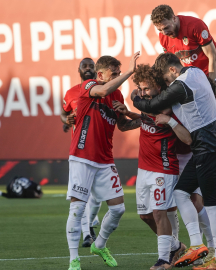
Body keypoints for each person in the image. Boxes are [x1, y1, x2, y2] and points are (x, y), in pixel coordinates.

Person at [132, 53, 216, 270]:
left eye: (167, 80)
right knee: (181, 193)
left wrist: (134, 97)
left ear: (174, 71)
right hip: (206, 149)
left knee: (212, 207)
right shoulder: (196, 72)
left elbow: (155, 104)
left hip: (208, 148)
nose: (168, 85)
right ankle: (196, 244)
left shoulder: (181, 84)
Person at [66, 52, 140, 270]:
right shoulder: (89, 85)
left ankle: (99, 245)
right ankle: (73, 260)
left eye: (119, 73)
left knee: (118, 209)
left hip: (105, 160)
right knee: (77, 210)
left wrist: (140, 118)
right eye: (114, 73)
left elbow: (123, 125)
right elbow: (103, 90)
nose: (118, 77)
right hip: (82, 157)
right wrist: (129, 71)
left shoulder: (117, 96)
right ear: (100, 74)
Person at [114, 63, 192, 269]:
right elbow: (146, 118)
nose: (142, 92)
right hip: (144, 169)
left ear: (159, 86)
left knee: (159, 213)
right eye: (140, 88)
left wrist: (171, 122)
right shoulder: (147, 105)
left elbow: (188, 139)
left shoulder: (172, 108)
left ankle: (164, 260)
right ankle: (176, 246)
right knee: (145, 216)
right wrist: (130, 113)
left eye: (146, 88)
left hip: (164, 169)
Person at [151, 4, 216, 165]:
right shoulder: (164, 38)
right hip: (194, 79)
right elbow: (171, 65)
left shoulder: (194, 25)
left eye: (166, 27)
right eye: (160, 30)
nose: (164, 33)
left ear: (174, 18)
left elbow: (212, 56)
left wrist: (210, 84)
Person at [61, 57, 102, 248]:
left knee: (97, 197)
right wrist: (66, 120)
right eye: (84, 66)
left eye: (90, 66)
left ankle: (91, 222)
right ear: (79, 69)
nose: (88, 69)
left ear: (96, 70)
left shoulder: (101, 89)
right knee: (82, 196)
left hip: (100, 149)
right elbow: (64, 113)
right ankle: (87, 234)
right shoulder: (71, 92)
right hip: (79, 151)